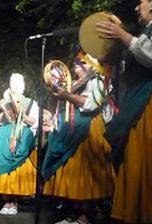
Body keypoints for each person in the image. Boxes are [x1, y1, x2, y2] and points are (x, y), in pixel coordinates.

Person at [96, 0, 152, 223]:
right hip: (142, 98)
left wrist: (123, 36)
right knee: (136, 158)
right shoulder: (144, 31)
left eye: (140, 2)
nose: (136, 7)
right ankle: (139, 212)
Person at [42, 50, 115, 224]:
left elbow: (92, 103)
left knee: (85, 171)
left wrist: (67, 96)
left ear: (90, 64)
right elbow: (58, 102)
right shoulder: (74, 84)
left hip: (89, 129)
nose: (75, 63)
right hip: (72, 131)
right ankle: (74, 212)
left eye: (80, 61)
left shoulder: (99, 80)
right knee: (72, 171)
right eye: (75, 61)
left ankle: (86, 216)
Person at [0, 73, 39, 215]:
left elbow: (34, 121)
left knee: (16, 168)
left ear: (23, 86)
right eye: (12, 82)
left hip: (21, 135)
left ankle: (14, 202)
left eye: (18, 83)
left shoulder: (31, 102)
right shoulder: (3, 103)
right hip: (3, 137)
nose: (15, 85)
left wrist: (20, 113)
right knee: (2, 167)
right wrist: (4, 109)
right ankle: (6, 201)